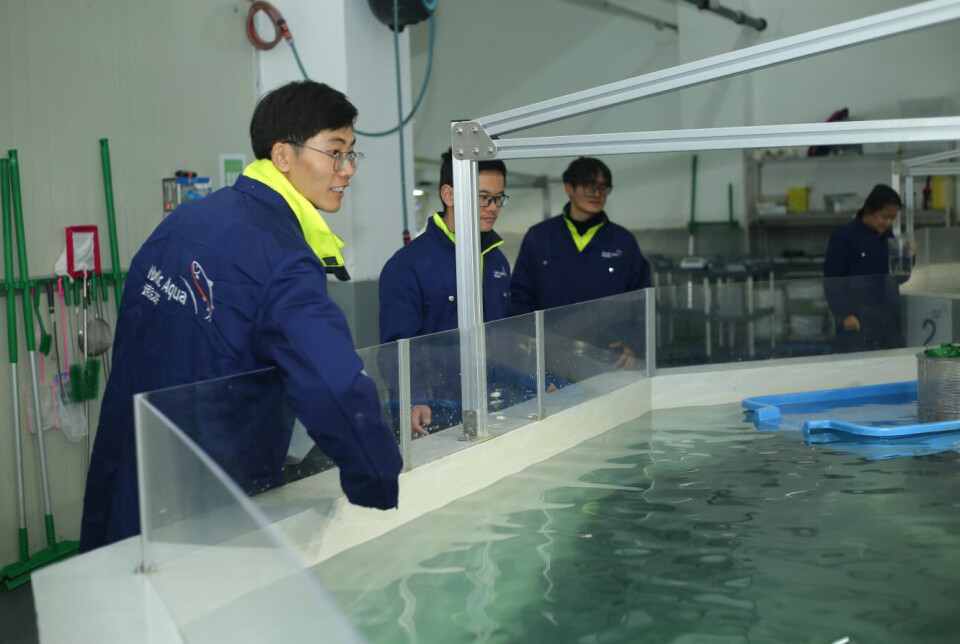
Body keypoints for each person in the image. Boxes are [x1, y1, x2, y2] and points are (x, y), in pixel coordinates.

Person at [80, 81, 403, 552]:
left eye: (352, 154)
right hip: (214, 501)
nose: (347, 169)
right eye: (335, 152)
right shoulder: (283, 258)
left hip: (134, 478)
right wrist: (376, 477)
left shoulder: (179, 225)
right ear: (283, 155)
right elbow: (334, 384)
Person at [378, 150, 512, 435]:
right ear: (449, 195)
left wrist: (532, 381)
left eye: (499, 198)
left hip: (490, 407)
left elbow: (505, 337)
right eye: (483, 197)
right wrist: (414, 401)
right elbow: (396, 350)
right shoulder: (407, 265)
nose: (493, 207)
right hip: (431, 414)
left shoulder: (497, 261)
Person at [510, 157, 651, 369]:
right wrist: (519, 343)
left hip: (609, 358)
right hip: (550, 359)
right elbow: (520, 296)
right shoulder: (539, 237)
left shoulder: (623, 242)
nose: (597, 194)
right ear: (569, 188)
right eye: (589, 186)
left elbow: (643, 301)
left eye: (603, 188)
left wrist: (634, 346)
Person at [824, 184, 908, 353]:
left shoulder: (888, 237)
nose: (888, 223)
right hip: (858, 320)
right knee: (859, 371)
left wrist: (906, 256)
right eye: (884, 217)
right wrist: (845, 313)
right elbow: (832, 280)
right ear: (869, 210)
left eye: (893, 218)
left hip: (888, 321)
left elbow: (899, 278)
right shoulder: (844, 237)